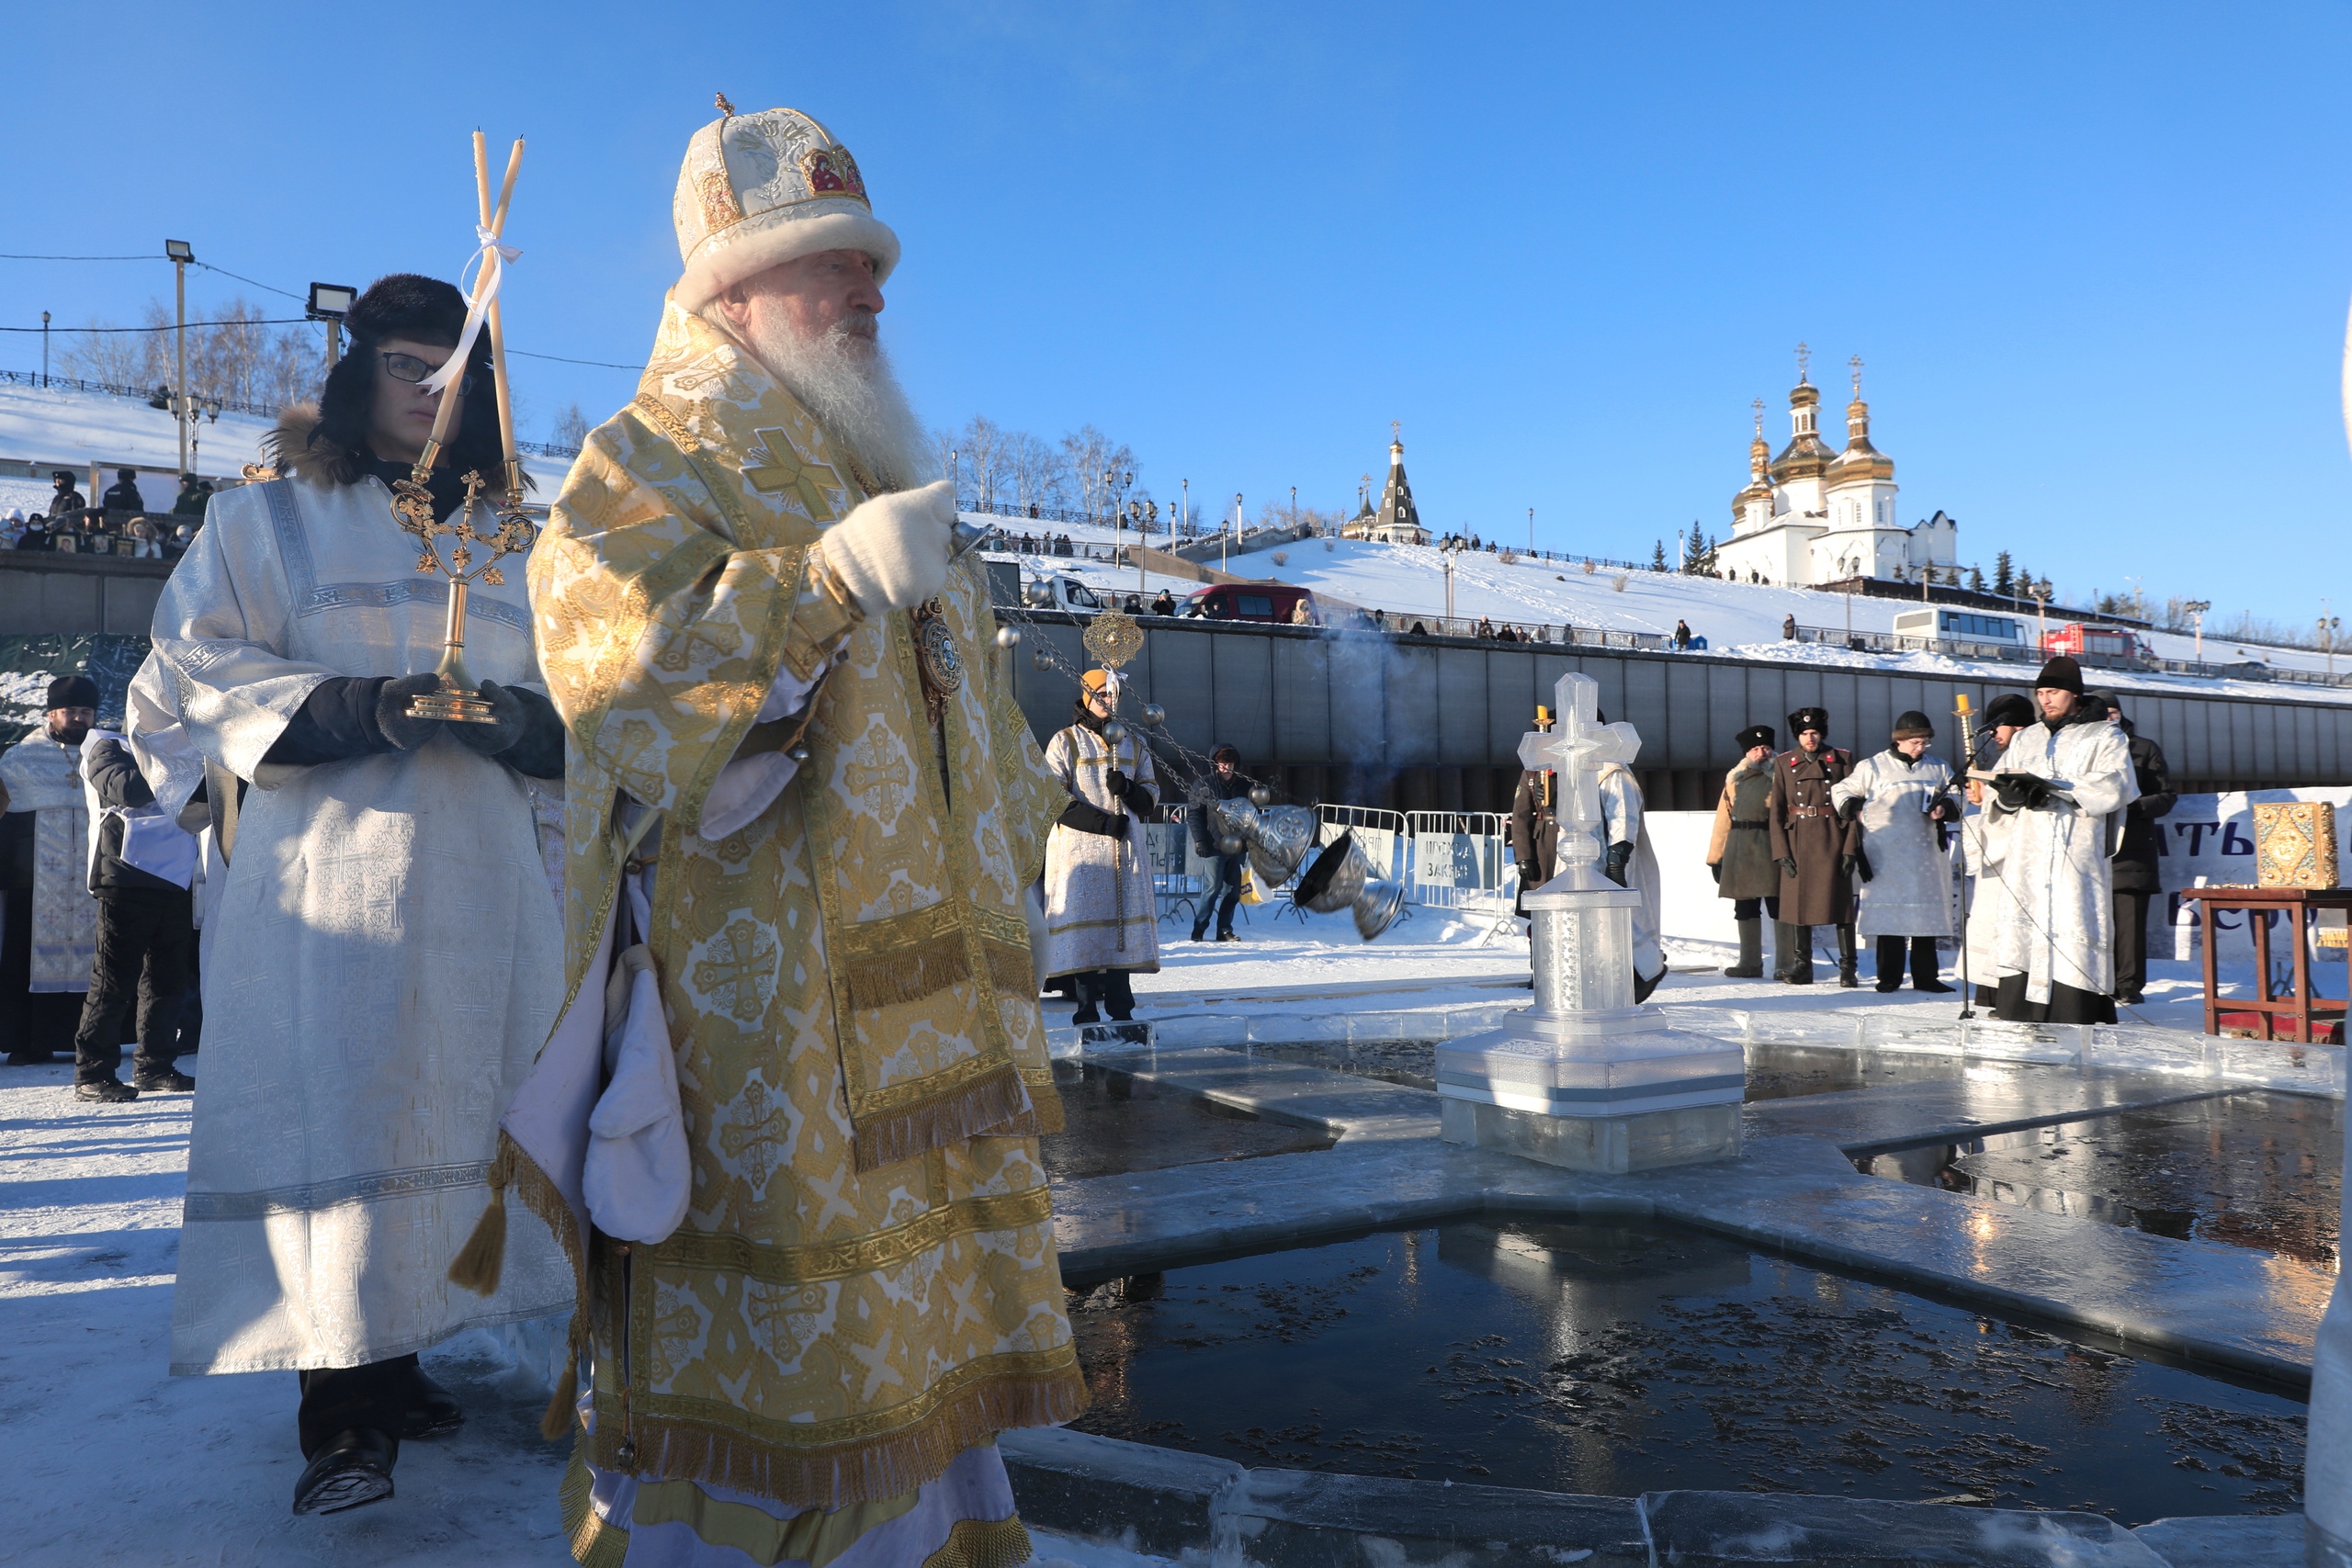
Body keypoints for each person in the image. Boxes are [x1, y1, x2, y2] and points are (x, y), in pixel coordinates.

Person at [517, 104, 1081, 1564]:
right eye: (831, 260)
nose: (870, 289)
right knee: (805, 1378)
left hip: (925, 1029)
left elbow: (967, 726)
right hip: (764, 1034)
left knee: (920, 1367)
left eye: (872, 260)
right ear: (729, 288)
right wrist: (820, 583)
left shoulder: (870, 465)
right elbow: (619, 680)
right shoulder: (647, 455)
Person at [153, 272, 572, 1516]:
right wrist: (351, 704)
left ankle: (402, 1355)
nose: (428, 393)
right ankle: (341, 1413)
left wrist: (528, 729)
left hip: (483, 882)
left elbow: (595, 700)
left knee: (449, 1111)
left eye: (452, 375)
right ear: (358, 373)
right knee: (344, 1122)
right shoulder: (273, 520)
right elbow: (193, 658)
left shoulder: (519, 541)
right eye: (404, 364)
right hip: (331, 887)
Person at [1981, 657, 2139, 1023]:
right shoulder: (2025, 737)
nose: (2044, 700)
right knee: (2026, 917)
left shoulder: (2105, 735)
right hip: (2029, 851)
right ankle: (2019, 1005)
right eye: (2040, 693)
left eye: (2052, 692)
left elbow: (2117, 784)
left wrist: (2061, 792)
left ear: (2074, 694)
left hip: (2075, 846)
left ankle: (2074, 1006)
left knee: (2072, 918)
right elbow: (2000, 785)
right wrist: (2009, 796)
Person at [68, 716, 198, 1101]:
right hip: (123, 874)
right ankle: (92, 1074)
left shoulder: (178, 746)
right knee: (112, 981)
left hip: (176, 875)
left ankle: (154, 1066)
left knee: (167, 982)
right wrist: (182, 767)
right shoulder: (105, 743)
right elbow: (127, 788)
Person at [1044, 668, 1160, 1020]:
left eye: (1113, 695)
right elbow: (1051, 798)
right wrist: (1105, 822)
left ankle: (1121, 1007)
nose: (1109, 701)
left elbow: (1152, 792)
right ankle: (1084, 1008)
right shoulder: (1065, 741)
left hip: (1124, 852)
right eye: (1102, 694)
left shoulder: (1132, 742)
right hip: (1079, 851)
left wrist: (1128, 790)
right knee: (1084, 931)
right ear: (1087, 695)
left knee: (1120, 930)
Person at [0, 676, 101, 1064]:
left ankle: (89, 1038)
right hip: (35, 881)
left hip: (92, 881)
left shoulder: (107, 752)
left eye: (85, 712)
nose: (78, 718)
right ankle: (27, 1041)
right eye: (70, 712)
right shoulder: (21, 760)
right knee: (24, 958)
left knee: (97, 957)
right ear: (51, 714)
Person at [1832, 711, 1958, 993]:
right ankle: (1889, 977)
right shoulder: (1873, 767)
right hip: (1886, 853)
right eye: (1916, 742)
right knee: (1892, 920)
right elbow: (1841, 790)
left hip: (1925, 853)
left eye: (1925, 742)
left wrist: (1945, 808)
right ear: (1900, 740)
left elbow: (1956, 794)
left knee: (1925, 918)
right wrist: (1856, 808)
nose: (1921, 748)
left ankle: (1927, 977)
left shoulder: (1938, 768)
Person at [1767, 705, 1861, 986]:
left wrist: (1849, 849)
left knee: (1842, 907)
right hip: (1797, 841)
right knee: (1799, 907)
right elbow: (1777, 811)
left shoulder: (1842, 760)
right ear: (1798, 736)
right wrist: (1782, 852)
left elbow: (1853, 806)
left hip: (1833, 835)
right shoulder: (1785, 763)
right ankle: (1803, 966)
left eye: (1815, 733)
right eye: (1805, 733)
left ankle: (1848, 969)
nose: (1811, 738)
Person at [2097, 692, 2175, 1007]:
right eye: (2101, 714)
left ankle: (2128, 985)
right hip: (2089, 852)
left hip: (2132, 851)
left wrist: (2132, 807)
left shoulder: (2143, 748)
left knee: (2129, 925)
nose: (2108, 719)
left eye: (2112, 712)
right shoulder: (2082, 749)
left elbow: (2166, 796)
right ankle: (2096, 982)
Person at [1961, 693, 2034, 1006]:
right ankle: (1992, 992)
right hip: (1998, 860)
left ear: (2016, 726)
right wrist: (1984, 796)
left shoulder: (2026, 754)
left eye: (1998, 726)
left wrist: (1991, 799)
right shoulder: (2007, 756)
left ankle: (2008, 994)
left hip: (2017, 858)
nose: (1992, 734)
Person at [1594, 709, 1666, 1001]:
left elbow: (1623, 815)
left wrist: (1616, 860)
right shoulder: (1575, 773)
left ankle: (1646, 972)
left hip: (1611, 864)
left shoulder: (1612, 771)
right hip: (1582, 864)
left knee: (1624, 924)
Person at [1705, 724, 1778, 977]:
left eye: (1766, 747)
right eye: (1756, 749)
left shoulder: (1782, 777)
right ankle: (1750, 963)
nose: (1762, 753)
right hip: (1740, 848)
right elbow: (1723, 819)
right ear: (1747, 752)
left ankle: (1787, 964)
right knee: (1745, 907)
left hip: (1772, 847)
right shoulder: (1734, 778)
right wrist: (1716, 858)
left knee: (1779, 906)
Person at [1189, 743, 1250, 941]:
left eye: (1230, 764)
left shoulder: (1244, 785)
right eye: (1223, 764)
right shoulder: (1203, 784)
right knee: (1212, 889)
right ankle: (1199, 928)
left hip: (1238, 846)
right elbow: (1194, 814)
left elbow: (1252, 816)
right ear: (1215, 764)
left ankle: (1224, 929)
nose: (1226, 768)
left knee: (1232, 892)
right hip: (1214, 845)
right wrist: (1200, 841)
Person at [1510, 709, 1561, 919]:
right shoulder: (1532, 771)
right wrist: (1524, 857)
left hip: (1572, 840)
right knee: (1540, 914)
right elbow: (1521, 816)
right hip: (1543, 846)